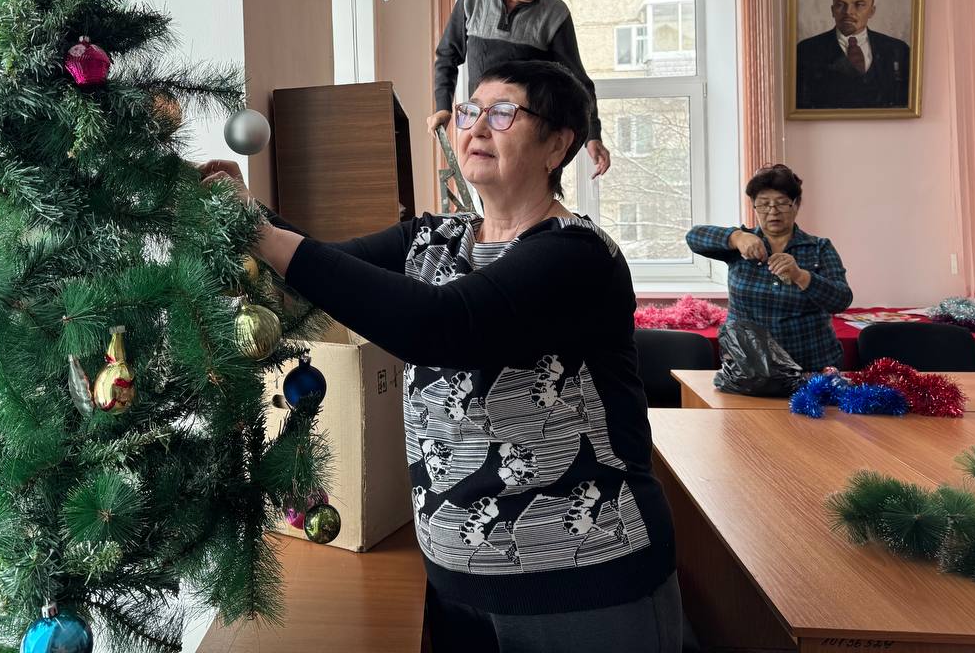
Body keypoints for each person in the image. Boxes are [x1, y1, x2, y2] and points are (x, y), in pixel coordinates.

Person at [202, 60, 679, 653]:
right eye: (469, 111)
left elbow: (441, 326)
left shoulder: (579, 255)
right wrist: (244, 213)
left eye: (502, 113)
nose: (475, 127)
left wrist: (264, 234)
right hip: (457, 582)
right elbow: (324, 274)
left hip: (586, 585)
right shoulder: (434, 239)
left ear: (558, 144)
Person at [429, 0, 611, 178]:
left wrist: (593, 135)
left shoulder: (555, 13)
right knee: (489, 188)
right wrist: (443, 107)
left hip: (529, 132)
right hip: (485, 123)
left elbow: (579, 81)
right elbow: (447, 56)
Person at [686, 164, 853, 372]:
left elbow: (841, 300)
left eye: (782, 203)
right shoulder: (743, 243)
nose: (773, 211)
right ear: (754, 207)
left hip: (810, 365)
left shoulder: (819, 248)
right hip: (748, 366)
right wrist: (736, 237)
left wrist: (801, 276)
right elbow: (693, 237)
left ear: (796, 205)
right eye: (764, 204)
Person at [795, 0, 910, 109]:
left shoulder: (897, 49)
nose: (848, 12)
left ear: (872, 11)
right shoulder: (806, 50)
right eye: (840, 5)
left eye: (859, 5)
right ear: (832, 11)